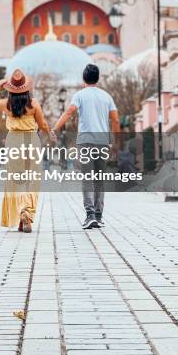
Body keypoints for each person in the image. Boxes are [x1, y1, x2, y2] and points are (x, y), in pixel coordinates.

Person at [51, 64, 119, 230]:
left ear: (84, 79)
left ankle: (89, 215)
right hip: (103, 142)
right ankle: (99, 215)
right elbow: (115, 120)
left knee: (87, 178)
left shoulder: (80, 95)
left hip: (86, 141)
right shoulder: (106, 97)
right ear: (98, 78)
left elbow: (69, 112)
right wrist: (115, 140)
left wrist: (55, 128)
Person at [0, 69, 50, 233]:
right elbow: (43, 125)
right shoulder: (33, 104)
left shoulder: (6, 104)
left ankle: (21, 211)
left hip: (13, 141)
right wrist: (50, 134)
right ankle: (27, 212)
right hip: (31, 141)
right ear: (27, 88)